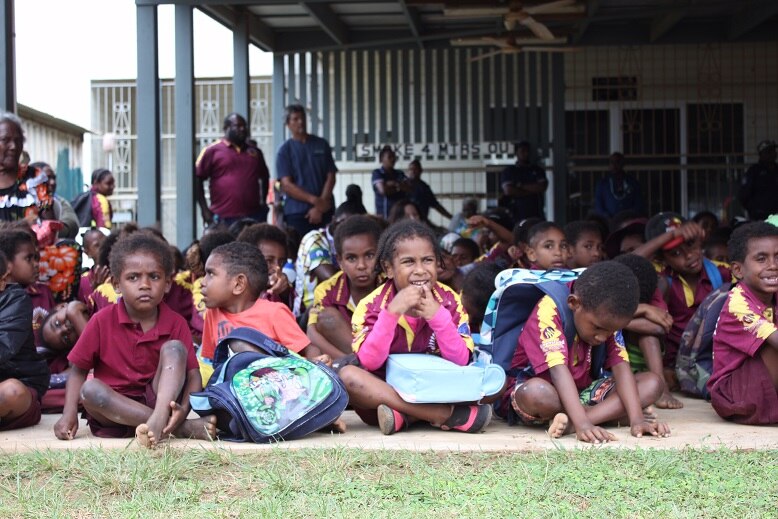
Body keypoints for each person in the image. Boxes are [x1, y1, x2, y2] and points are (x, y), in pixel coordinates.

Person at [53, 233, 215, 447]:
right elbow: (78, 371)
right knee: (90, 391)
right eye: (133, 277)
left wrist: (182, 411)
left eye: (154, 277)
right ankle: (176, 428)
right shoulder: (101, 320)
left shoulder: (176, 323)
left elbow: (193, 375)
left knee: (175, 349)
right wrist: (68, 413)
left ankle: (159, 421)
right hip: (112, 410)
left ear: (168, 283)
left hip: (160, 400)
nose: (145, 285)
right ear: (116, 284)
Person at [338, 220, 492, 436]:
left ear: (438, 263)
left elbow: (461, 360)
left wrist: (437, 317)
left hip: (439, 390)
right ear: (389, 268)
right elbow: (370, 362)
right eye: (408, 262)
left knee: (491, 380)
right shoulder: (371, 305)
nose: (420, 270)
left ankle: (407, 416)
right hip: (386, 395)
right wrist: (391, 314)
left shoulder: (449, 301)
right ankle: (442, 415)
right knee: (348, 376)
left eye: (427, 260)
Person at [500, 261, 670, 443]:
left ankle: (570, 423)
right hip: (546, 390)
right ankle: (603, 416)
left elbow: (621, 366)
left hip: (584, 391)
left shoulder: (607, 320)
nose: (602, 338)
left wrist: (637, 419)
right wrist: (583, 425)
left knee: (652, 383)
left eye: (609, 332)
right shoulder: (549, 309)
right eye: (597, 328)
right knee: (536, 393)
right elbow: (558, 371)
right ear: (574, 303)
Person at [634, 212, 731, 382]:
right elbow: (625, 263)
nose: (688, 255)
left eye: (691, 244)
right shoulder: (661, 278)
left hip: (711, 359)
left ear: (701, 239)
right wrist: (671, 235)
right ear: (661, 259)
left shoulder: (721, 271)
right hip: (672, 364)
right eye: (675, 253)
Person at [198, 241, 321, 364]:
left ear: (238, 284)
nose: (202, 282)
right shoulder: (212, 314)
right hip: (232, 381)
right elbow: (213, 363)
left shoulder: (274, 313)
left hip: (275, 378)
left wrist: (316, 364)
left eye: (210, 274)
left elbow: (309, 350)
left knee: (238, 345)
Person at [708, 222, 778, 424]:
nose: (773, 265)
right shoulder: (738, 303)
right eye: (761, 259)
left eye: (777, 257)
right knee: (768, 342)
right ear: (738, 270)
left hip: (761, 384)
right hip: (735, 395)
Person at [307, 215, 383, 358]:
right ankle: (361, 361)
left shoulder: (390, 284)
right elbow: (312, 332)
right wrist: (350, 361)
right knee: (326, 317)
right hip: (349, 357)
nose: (361, 266)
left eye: (369, 255)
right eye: (351, 258)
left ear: (380, 255)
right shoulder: (327, 290)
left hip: (385, 354)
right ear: (340, 261)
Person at [613, 253, 681, 409]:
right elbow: (601, 316)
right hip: (613, 368)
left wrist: (619, 322)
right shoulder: (611, 290)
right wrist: (642, 310)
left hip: (641, 363)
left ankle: (662, 389)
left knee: (648, 337)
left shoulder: (652, 291)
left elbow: (658, 327)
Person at [0, 237, 49, 430]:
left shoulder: (16, 300)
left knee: (11, 392)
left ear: (3, 281)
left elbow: (4, 347)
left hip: (19, 382)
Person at [195, 113, 270, 226]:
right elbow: (197, 179)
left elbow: (264, 177)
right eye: (238, 126)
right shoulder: (212, 150)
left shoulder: (255, 152)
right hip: (223, 217)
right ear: (226, 129)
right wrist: (205, 210)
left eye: (244, 126)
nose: (243, 129)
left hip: (253, 216)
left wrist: (263, 203)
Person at [276, 104, 337, 237]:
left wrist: (320, 206)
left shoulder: (321, 144)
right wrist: (315, 201)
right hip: (298, 213)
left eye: (302, 118)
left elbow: (331, 176)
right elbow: (287, 185)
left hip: (325, 209)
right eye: (295, 119)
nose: (301, 122)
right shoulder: (284, 151)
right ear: (288, 124)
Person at [236, 223, 292, 308]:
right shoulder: (233, 294)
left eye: (281, 262)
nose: (277, 267)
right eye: (268, 260)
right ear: (248, 260)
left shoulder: (282, 289)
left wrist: (285, 293)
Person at [0, 113, 39, 223]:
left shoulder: (35, 177)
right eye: (5, 140)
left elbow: (48, 226)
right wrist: (23, 224)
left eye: (18, 141)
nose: (13, 146)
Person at [500, 141, 548, 223]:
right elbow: (508, 190)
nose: (526, 154)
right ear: (516, 153)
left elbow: (542, 187)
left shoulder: (537, 170)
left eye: (527, 151)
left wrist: (519, 186)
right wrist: (531, 191)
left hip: (536, 213)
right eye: (522, 151)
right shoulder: (509, 171)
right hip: (516, 214)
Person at [29, 162, 79, 239]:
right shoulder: (21, 202)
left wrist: (52, 224)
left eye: (54, 178)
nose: (52, 182)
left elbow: (72, 224)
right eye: (46, 178)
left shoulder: (59, 202)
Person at [594, 152, 643, 218]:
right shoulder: (602, 184)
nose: (614, 165)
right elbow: (598, 206)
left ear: (623, 164)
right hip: (608, 222)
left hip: (628, 221)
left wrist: (629, 216)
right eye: (612, 162)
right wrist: (607, 216)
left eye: (617, 162)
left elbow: (638, 204)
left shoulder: (633, 183)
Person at [739, 140, 778, 221]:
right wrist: (755, 210)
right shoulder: (754, 171)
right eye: (769, 151)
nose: (773, 154)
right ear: (761, 154)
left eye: (774, 151)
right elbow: (744, 195)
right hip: (760, 217)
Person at [372, 146, 406, 219]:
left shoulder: (400, 173)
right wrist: (398, 187)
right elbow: (383, 190)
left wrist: (392, 184)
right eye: (389, 157)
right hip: (384, 216)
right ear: (381, 159)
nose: (393, 159)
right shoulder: (377, 173)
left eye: (394, 157)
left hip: (400, 215)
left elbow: (408, 188)